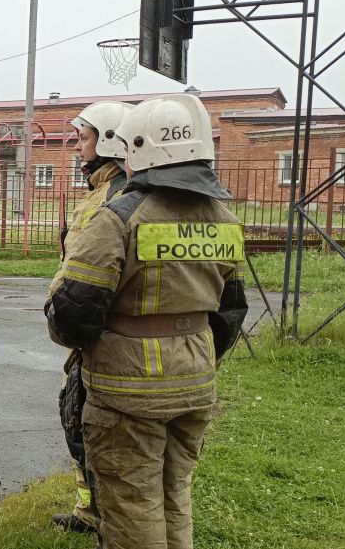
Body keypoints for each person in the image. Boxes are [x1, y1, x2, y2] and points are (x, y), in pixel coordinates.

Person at [45, 94, 247, 549]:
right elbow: (231, 312)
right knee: (174, 495)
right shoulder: (224, 219)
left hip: (127, 392)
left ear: (136, 149)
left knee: (133, 506)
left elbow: (72, 312)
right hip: (196, 382)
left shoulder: (118, 217)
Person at [47, 100, 134, 534]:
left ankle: (104, 518)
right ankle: (89, 510)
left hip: (100, 339)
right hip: (90, 338)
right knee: (74, 419)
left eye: (84, 139)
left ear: (112, 141)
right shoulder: (106, 191)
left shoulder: (116, 199)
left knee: (88, 428)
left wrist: (63, 320)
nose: (78, 149)